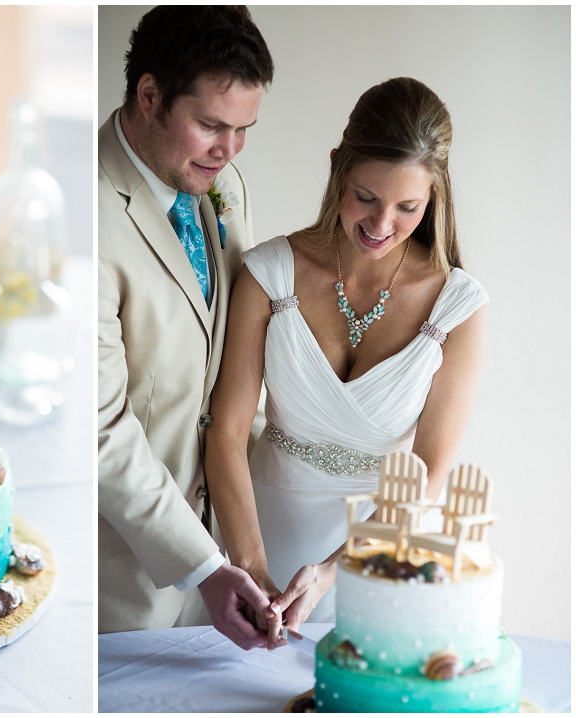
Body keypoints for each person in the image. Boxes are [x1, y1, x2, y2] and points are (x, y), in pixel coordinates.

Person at [205, 76, 489, 648]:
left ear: (434, 195)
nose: (380, 226)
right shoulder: (268, 274)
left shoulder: (458, 308)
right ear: (338, 167)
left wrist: (335, 567)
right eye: (366, 197)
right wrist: (252, 567)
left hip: (383, 547)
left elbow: (430, 471)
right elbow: (227, 431)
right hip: (258, 525)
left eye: (407, 207)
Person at [98, 6, 279, 648]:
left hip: (224, 580)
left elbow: (234, 372)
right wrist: (201, 566)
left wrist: (247, 550)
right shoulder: (86, 216)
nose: (228, 151)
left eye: (243, 130)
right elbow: (99, 429)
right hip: (120, 593)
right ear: (149, 96)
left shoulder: (226, 187)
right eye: (210, 125)